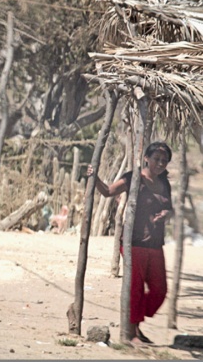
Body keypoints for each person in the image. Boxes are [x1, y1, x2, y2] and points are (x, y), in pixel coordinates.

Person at [87, 142, 173, 344]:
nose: (160, 163)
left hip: (155, 244)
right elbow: (108, 191)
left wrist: (167, 214)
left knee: (160, 291)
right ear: (146, 158)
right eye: (156, 159)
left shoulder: (164, 184)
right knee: (135, 288)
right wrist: (95, 177)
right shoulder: (134, 178)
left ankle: (135, 323)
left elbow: (171, 208)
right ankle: (132, 333)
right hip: (133, 242)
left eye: (164, 160)